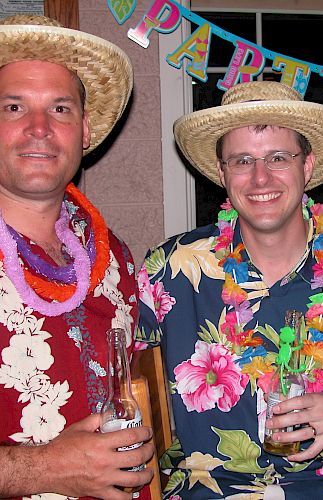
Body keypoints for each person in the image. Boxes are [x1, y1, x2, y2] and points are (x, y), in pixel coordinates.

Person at [136, 80, 323, 498]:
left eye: (278, 157)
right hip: (208, 491)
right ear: (223, 173)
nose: (260, 177)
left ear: (308, 165)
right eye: (242, 160)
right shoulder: (171, 270)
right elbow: (120, 381)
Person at [0, 15, 154, 500]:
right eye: (14, 107)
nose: (39, 128)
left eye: (60, 109)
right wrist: (41, 468)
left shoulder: (116, 258)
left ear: (85, 130)